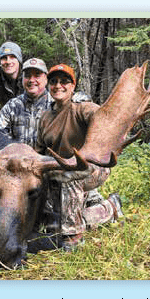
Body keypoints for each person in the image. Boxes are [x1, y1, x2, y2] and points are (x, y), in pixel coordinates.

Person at [38, 63, 122, 252]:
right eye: (53, 82)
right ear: (48, 86)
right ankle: (109, 207)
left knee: (68, 179)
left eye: (64, 81)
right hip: (59, 172)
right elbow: (39, 150)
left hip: (93, 167)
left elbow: (103, 117)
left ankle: (73, 238)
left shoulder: (81, 109)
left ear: (73, 86)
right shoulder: (44, 118)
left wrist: (105, 119)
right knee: (57, 221)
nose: (58, 85)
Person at [0, 57, 52, 145]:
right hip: (18, 157)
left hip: (48, 158)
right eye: (27, 76)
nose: (32, 80)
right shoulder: (12, 106)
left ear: (46, 79)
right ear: (22, 79)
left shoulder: (56, 105)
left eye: (37, 75)